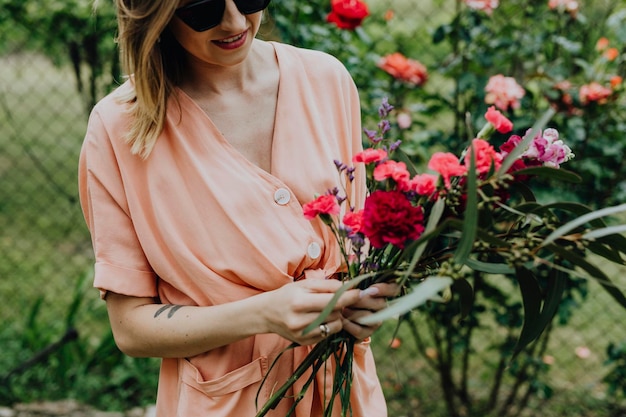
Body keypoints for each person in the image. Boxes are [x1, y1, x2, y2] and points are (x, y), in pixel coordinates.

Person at [78, 0, 395, 416]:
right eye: (202, 8)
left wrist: (368, 303)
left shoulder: (327, 81)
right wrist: (263, 314)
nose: (234, 22)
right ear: (154, 13)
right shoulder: (118, 128)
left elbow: (358, 249)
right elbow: (130, 328)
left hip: (347, 396)